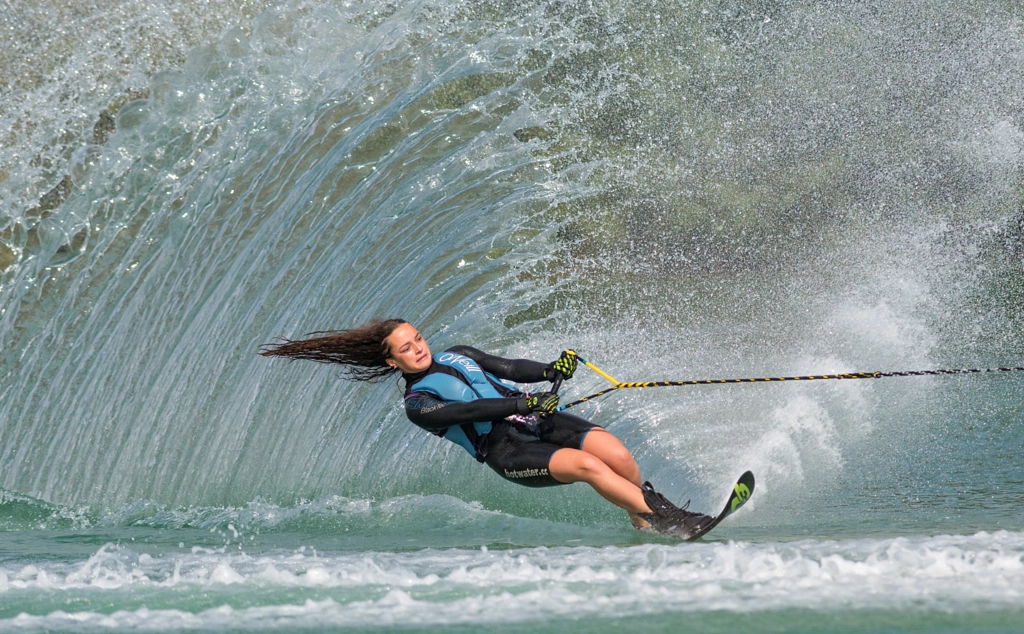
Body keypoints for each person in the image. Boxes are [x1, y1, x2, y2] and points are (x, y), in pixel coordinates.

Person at [260, 318, 712, 536]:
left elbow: (508, 367)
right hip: (507, 451)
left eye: (418, 338)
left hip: (537, 420)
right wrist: (522, 403)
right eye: (406, 348)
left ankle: (641, 516)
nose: (418, 348)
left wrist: (549, 369)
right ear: (392, 362)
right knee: (588, 466)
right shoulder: (418, 404)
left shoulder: (458, 353)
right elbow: (470, 412)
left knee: (616, 454)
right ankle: (672, 519)